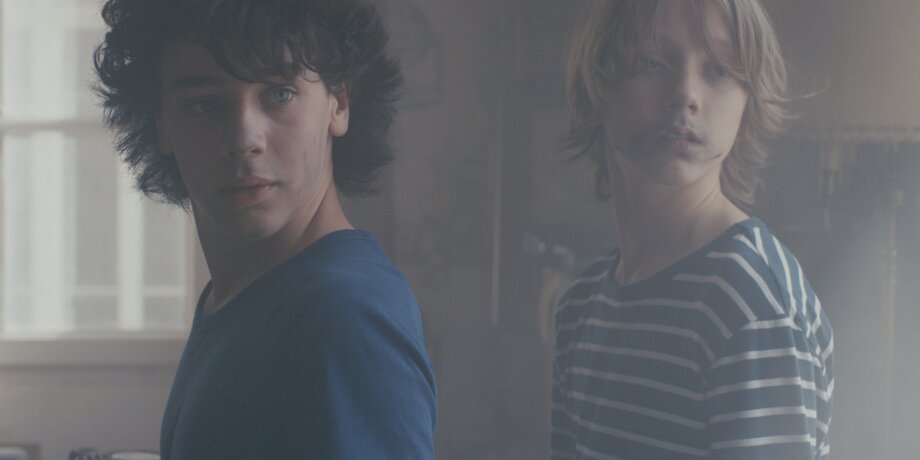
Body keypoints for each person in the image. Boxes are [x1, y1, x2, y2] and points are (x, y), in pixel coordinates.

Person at [93, 0, 436, 458]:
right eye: (204, 104)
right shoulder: (244, 294)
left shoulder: (340, 314)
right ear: (161, 124)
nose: (243, 140)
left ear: (339, 102)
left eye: (279, 94)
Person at [552, 1, 834, 459]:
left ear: (748, 106)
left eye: (719, 69)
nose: (686, 93)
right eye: (650, 62)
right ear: (597, 84)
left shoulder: (750, 302)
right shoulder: (581, 305)